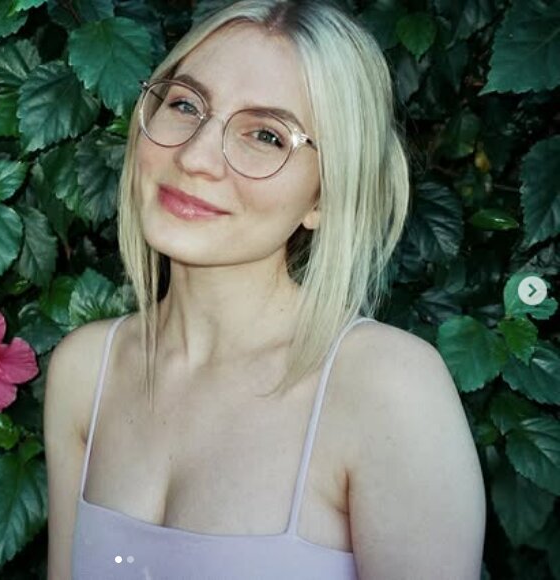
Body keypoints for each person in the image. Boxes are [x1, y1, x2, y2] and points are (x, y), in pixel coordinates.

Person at [44, 0, 486, 578]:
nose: (196, 157)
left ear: (324, 196)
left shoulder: (387, 390)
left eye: (267, 136)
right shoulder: (86, 371)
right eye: (184, 104)